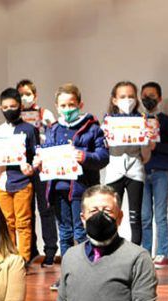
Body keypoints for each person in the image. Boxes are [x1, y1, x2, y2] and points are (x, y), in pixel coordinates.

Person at [39, 83, 109, 267]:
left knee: (81, 232)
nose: (67, 109)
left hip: (82, 189)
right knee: (65, 233)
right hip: (58, 189)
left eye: (71, 105)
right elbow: (47, 155)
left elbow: (103, 157)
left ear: (80, 104)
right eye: (63, 106)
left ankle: (88, 271)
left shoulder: (92, 128)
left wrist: (84, 156)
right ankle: (68, 274)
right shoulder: (53, 129)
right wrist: (41, 162)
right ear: (56, 107)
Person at [0, 88, 40, 261]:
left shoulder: (29, 129)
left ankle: (23, 259)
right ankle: (9, 257)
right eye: (5, 107)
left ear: (20, 106)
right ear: (0, 108)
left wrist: (32, 166)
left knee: (23, 222)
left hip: (22, 182)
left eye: (13, 106)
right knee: (6, 223)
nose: (9, 110)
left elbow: (37, 154)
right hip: (2, 182)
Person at [104, 81, 154, 246]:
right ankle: (111, 251)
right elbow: (103, 149)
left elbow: (146, 156)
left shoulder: (143, 120)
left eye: (131, 96)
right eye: (123, 97)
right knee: (110, 214)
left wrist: (149, 139)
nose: (127, 100)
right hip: (114, 170)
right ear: (114, 100)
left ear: (137, 99)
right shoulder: (108, 121)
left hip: (135, 170)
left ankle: (135, 253)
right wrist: (104, 136)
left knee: (136, 216)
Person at [16, 78, 60, 266]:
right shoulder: (15, 116)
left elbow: (56, 133)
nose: (24, 98)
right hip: (23, 167)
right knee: (26, 211)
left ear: (35, 95)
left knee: (46, 209)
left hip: (42, 166)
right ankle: (31, 250)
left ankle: (50, 250)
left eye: (28, 94)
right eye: (21, 94)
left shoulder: (45, 113)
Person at [140, 81, 168, 268]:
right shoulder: (136, 120)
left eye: (152, 96)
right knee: (144, 215)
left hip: (161, 172)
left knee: (160, 215)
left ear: (160, 98)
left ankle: (162, 253)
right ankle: (145, 252)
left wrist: (158, 146)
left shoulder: (166, 121)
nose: (148, 99)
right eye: (145, 95)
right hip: (140, 172)